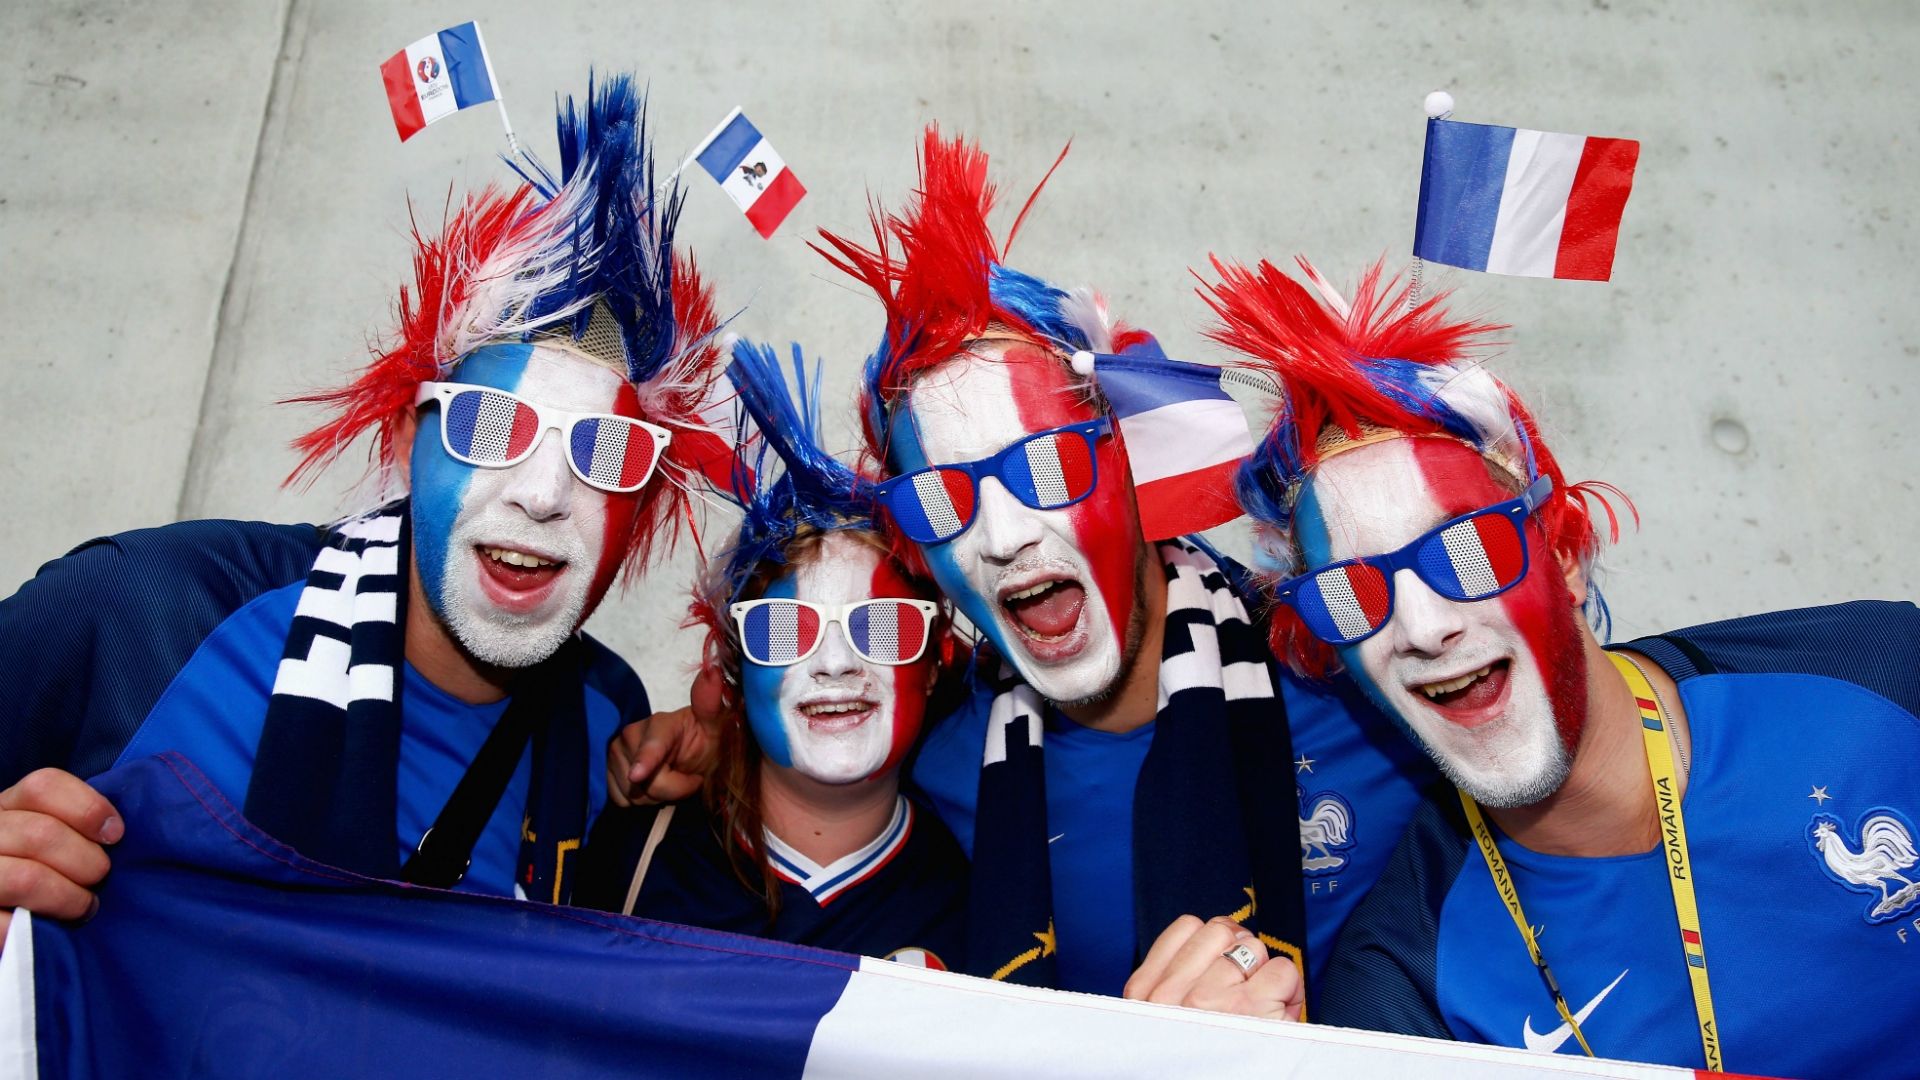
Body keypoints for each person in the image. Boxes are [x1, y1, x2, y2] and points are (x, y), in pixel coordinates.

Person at [0, 75, 730, 935]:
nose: (541, 496)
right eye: (489, 426)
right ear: (414, 435)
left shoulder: (604, 716)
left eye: (605, 454)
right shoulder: (149, 611)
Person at [1181, 255, 1920, 1076]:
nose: (1423, 628)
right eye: (1350, 596)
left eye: (1467, 551)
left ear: (1565, 555)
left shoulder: (1882, 674)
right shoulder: (1401, 995)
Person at [798, 128, 1437, 1000]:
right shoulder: (938, 764)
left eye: (1049, 467)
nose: (1003, 538)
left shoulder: (1359, 682)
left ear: (1134, 460)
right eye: (942, 500)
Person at [576, 340, 967, 968]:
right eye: (783, 630)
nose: (835, 663)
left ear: (936, 661)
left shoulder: (980, 890)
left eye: (883, 627)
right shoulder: (633, 857)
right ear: (732, 668)